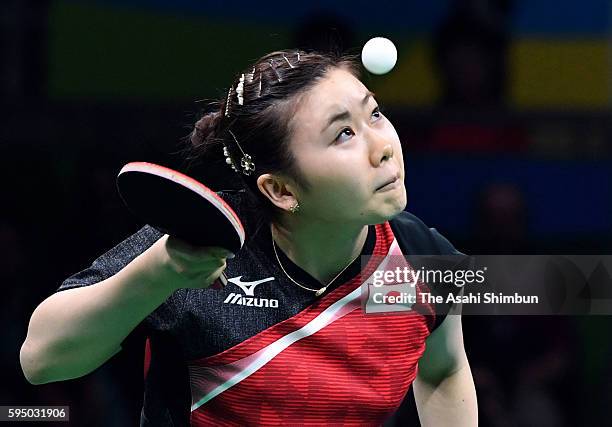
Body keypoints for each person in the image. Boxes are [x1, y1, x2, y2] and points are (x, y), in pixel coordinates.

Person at [20, 50, 477, 426]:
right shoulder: (201, 243)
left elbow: (445, 368)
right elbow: (41, 361)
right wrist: (156, 275)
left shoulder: (421, 255)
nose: (384, 146)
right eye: (344, 134)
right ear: (281, 189)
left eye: (374, 113)